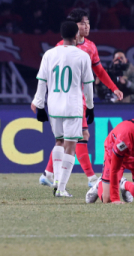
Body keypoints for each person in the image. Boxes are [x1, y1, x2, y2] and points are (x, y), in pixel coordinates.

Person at [39, 9, 123, 189]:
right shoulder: (61, 46)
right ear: (73, 27)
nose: (86, 26)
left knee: (65, 139)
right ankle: (91, 177)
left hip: (80, 99)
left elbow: (99, 71)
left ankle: (48, 173)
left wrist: (114, 87)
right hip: (71, 100)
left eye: (88, 23)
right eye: (82, 23)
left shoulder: (91, 47)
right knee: (79, 136)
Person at [31, 21, 95, 197]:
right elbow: (88, 85)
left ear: (61, 35)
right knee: (71, 147)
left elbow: (41, 81)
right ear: (76, 36)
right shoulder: (83, 56)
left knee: (59, 142)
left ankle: (57, 181)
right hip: (73, 106)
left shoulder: (49, 54)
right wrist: (90, 107)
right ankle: (61, 188)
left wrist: (39, 104)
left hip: (54, 105)